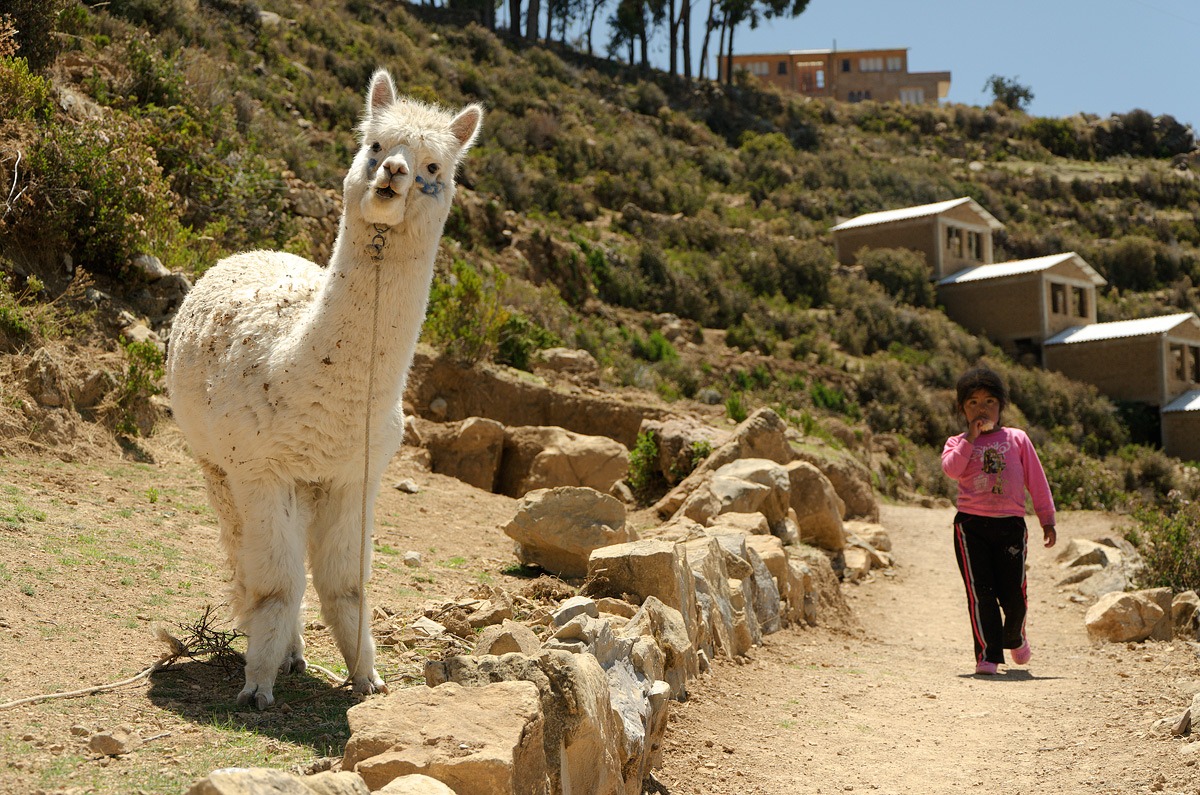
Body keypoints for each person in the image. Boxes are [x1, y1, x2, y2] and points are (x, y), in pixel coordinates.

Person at [941, 366, 1056, 676]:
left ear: (1001, 406)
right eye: (973, 403)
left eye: (990, 401)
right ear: (962, 409)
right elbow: (951, 470)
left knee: (1014, 595)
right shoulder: (956, 442)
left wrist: (1047, 518)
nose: (982, 409)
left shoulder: (1017, 439)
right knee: (982, 594)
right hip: (970, 526)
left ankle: (1015, 635)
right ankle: (988, 655)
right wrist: (970, 438)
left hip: (1010, 527)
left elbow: (1037, 480)